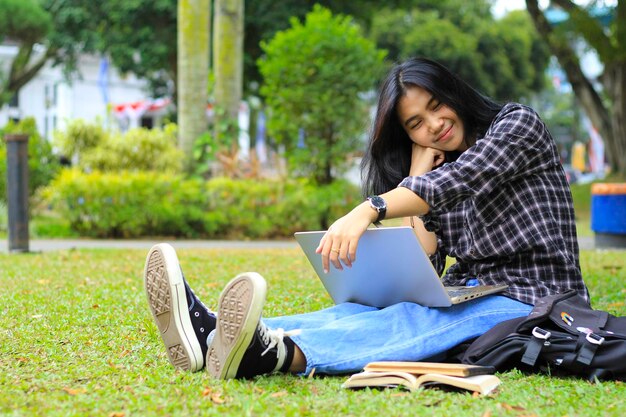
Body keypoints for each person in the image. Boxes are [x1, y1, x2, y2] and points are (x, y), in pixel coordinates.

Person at [143, 57, 589, 380]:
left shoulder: (517, 126)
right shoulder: (432, 172)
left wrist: (370, 209)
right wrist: (416, 173)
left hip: (540, 301)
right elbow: (425, 263)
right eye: (415, 123)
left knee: (418, 322)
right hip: (476, 294)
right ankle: (216, 335)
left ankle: (279, 355)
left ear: (456, 93)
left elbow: (461, 179)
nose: (433, 125)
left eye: (436, 106)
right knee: (360, 308)